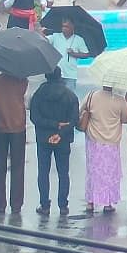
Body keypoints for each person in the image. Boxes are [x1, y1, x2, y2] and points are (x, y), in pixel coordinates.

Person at [30, 68, 80, 218]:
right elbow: (74, 120)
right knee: (63, 172)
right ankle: (63, 205)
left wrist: (53, 124)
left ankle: (44, 205)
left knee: (43, 171)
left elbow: (34, 117)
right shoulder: (70, 96)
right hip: (63, 139)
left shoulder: (38, 95)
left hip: (43, 137)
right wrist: (60, 132)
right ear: (61, 76)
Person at [81, 83, 127, 215]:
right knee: (109, 173)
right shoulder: (120, 101)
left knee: (93, 171)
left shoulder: (91, 96)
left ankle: (90, 201)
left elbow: (81, 111)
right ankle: (107, 203)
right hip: (112, 142)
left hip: (93, 140)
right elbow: (125, 119)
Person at [0, 70, 29, 220]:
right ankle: (16, 204)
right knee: (18, 167)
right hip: (18, 126)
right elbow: (24, 90)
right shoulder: (21, 80)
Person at [46, 15, 93, 93]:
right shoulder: (55, 36)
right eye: (63, 26)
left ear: (72, 27)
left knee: (68, 96)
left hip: (70, 74)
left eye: (66, 26)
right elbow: (45, 40)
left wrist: (74, 54)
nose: (64, 28)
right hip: (56, 74)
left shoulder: (79, 39)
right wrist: (40, 32)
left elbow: (86, 54)